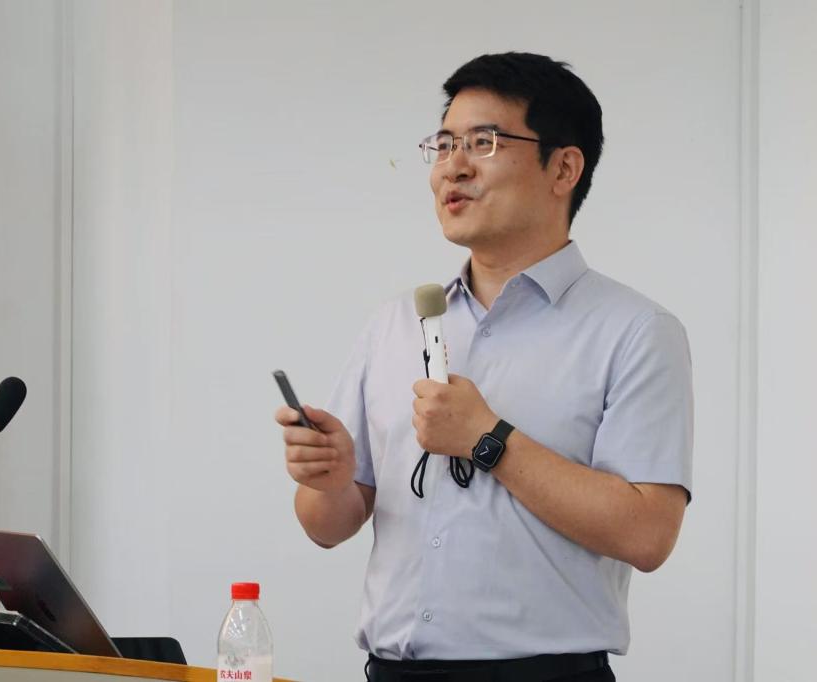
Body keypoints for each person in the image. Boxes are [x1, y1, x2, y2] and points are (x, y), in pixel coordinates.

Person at [275, 52, 693, 682]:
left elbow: (648, 535)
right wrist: (328, 480)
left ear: (564, 168)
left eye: (483, 142)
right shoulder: (395, 324)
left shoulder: (636, 330)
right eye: (444, 144)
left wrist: (487, 439)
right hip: (392, 671)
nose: (454, 166)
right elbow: (328, 526)